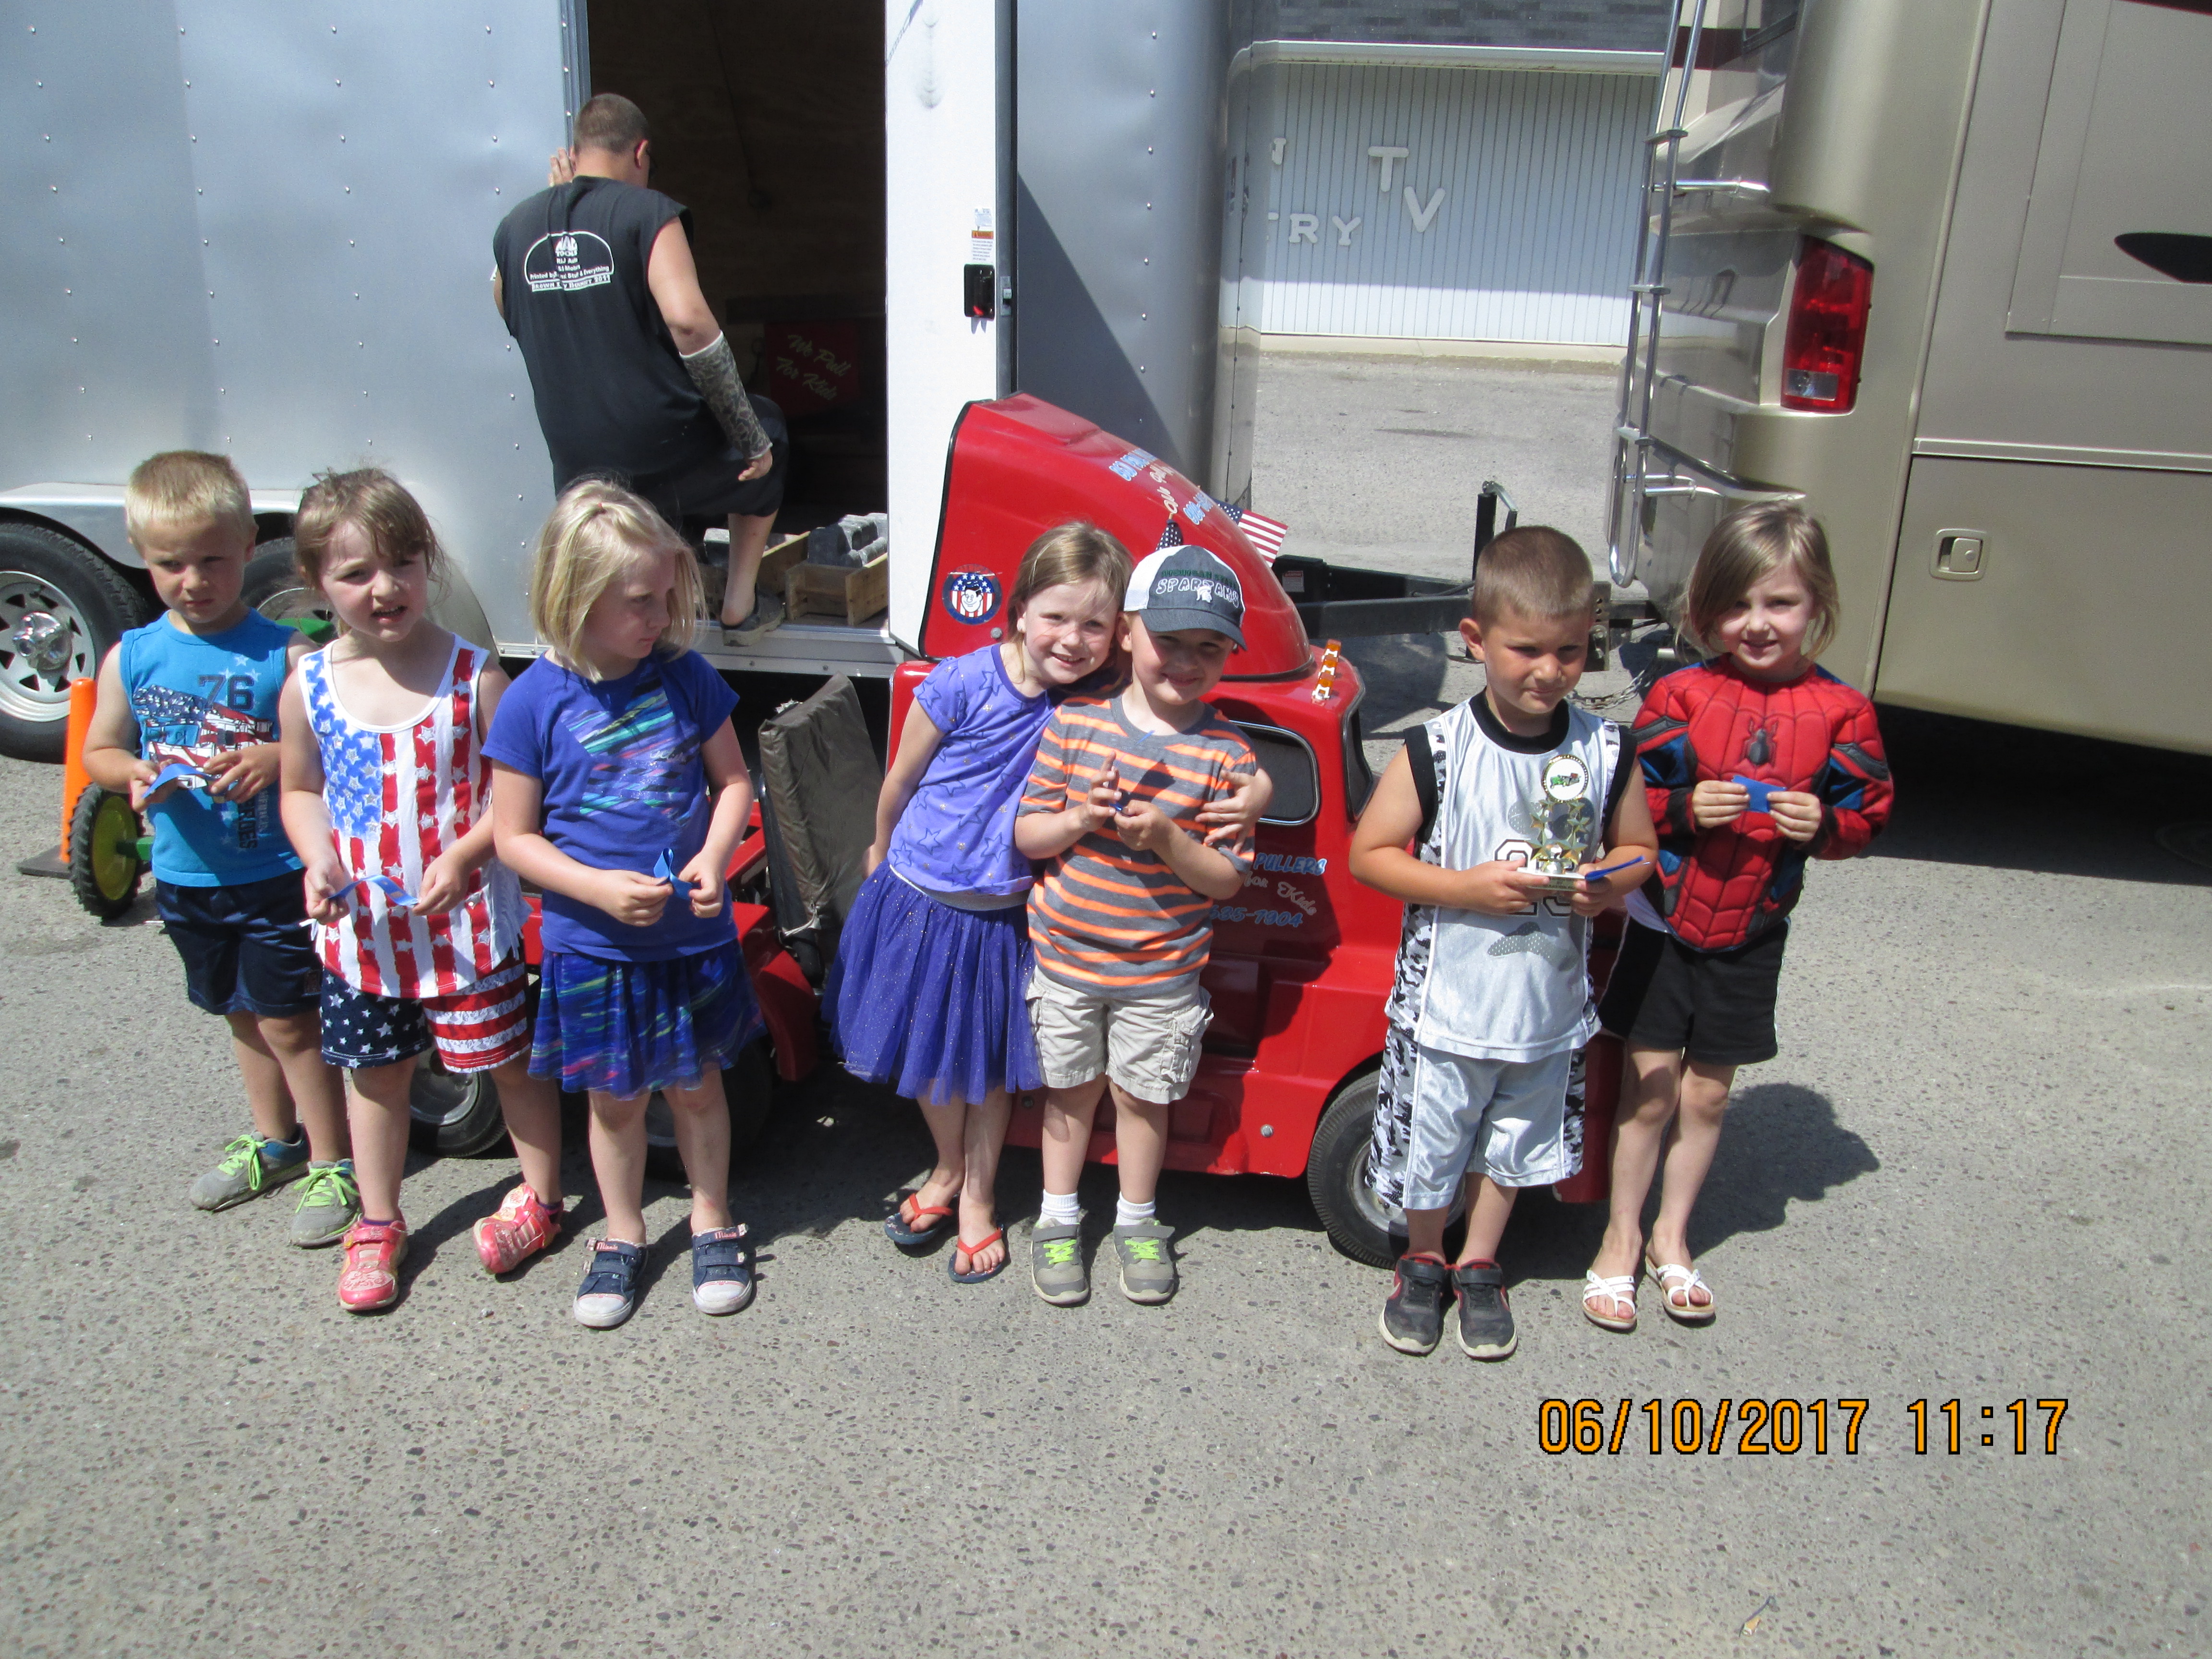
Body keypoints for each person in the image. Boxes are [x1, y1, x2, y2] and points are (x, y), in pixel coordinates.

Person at [1349, 527, 1659, 1362]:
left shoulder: (1605, 749)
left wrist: (1608, 879)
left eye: (1569, 651)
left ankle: (1481, 1262)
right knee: (1433, 1139)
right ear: (1476, 640)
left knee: (1513, 1142)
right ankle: (1421, 1260)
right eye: (1526, 650)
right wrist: (1465, 888)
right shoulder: (1438, 748)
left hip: (1543, 1008)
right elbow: (1368, 854)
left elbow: (1641, 848)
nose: (1548, 671)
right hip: (1446, 1006)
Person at [1581, 503, 1890, 1333]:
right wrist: (1684, 807)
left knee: (1708, 1096)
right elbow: (1626, 803)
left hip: (1751, 930)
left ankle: (1671, 1236)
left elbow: (1867, 815)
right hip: (1661, 923)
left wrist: (1823, 825)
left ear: (1816, 604)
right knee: (1649, 1090)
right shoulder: (1680, 694)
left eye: (1780, 603)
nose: (1757, 623)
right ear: (1706, 609)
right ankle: (1619, 1236)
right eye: (1736, 605)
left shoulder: (1843, 712)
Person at [276, 470, 567, 1313]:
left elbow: (518, 792)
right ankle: (378, 1220)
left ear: (428, 562)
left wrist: (470, 852)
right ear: (316, 582)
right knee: (377, 1077)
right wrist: (317, 858)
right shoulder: (309, 686)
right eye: (356, 572)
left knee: (509, 1064)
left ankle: (542, 1198)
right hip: (365, 936)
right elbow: (300, 789)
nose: (386, 587)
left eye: (403, 562)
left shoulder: (473, 676)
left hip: (466, 932)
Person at [485, 480, 766, 1329]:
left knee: (698, 1087)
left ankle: (712, 1217)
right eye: (639, 601)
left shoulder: (685, 675)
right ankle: (622, 1232)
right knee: (613, 1103)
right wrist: (595, 887)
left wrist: (714, 857)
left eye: (666, 596)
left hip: (690, 938)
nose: (660, 617)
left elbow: (733, 782)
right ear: (575, 596)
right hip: (594, 945)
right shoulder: (532, 699)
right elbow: (513, 838)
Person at [80, 452, 355, 1246]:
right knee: (238, 1014)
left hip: (275, 873)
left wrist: (273, 758)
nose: (194, 580)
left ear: (247, 546)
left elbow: (334, 751)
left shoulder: (286, 654)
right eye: (171, 563)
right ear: (141, 555)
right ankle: (274, 1140)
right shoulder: (133, 655)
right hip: (186, 875)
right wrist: (132, 772)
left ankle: (332, 1160)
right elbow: (100, 750)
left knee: (291, 1021)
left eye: (213, 559)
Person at [1013, 545, 1259, 1308]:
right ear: (1126, 632)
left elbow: (1227, 879)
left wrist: (1167, 839)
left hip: (1161, 974)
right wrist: (1078, 820)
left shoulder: (1230, 757)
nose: (1187, 661)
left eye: (1209, 647)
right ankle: (1058, 1218)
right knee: (1068, 1095)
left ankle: (1138, 1219)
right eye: (1170, 640)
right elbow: (1028, 835)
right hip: (1066, 961)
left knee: (1143, 1099)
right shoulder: (1076, 724)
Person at [493, 92, 790, 645]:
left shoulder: (515, 227)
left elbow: (507, 304)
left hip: (579, 470)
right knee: (768, 427)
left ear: (575, 154)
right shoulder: (648, 212)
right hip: (660, 455)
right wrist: (747, 435)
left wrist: (558, 213)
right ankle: (740, 605)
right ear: (640, 153)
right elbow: (689, 323)